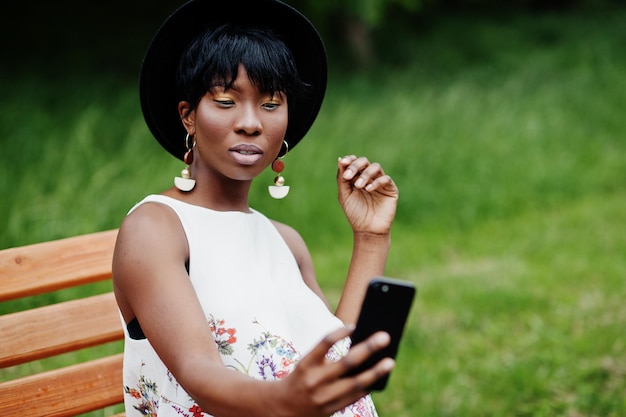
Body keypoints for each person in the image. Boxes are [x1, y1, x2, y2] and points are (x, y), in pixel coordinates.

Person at [112, 1, 399, 416]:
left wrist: (371, 238)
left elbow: (339, 357)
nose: (251, 122)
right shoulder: (156, 229)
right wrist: (285, 401)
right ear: (188, 116)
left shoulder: (285, 241)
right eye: (226, 101)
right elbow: (199, 373)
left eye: (270, 103)